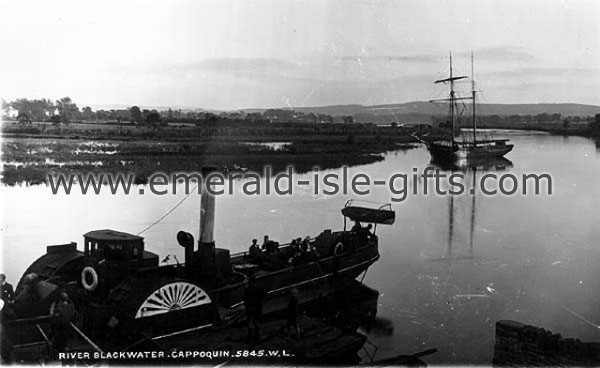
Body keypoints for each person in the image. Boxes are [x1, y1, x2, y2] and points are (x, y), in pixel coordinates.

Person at [244, 276, 265, 344]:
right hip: (257, 308)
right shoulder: (258, 289)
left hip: (250, 309)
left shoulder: (247, 290)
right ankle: (256, 338)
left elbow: (246, 300)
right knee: (256, 323)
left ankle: (250, 339)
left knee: (250, 324)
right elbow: (264, 294)